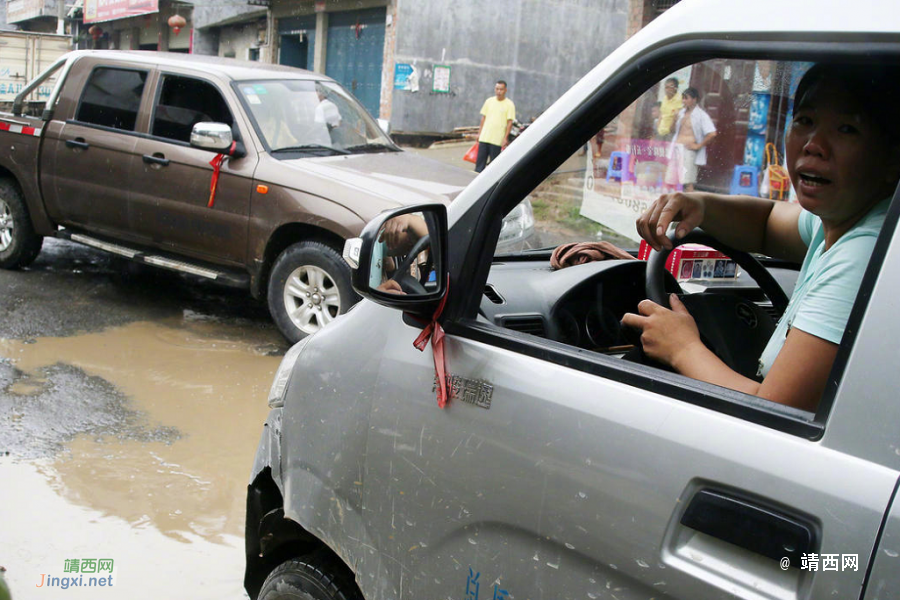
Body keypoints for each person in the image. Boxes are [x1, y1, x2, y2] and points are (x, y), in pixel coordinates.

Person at [623, 63, 900, 412]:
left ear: (892, 158)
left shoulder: (863, 256)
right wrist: (700, 204)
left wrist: (682, 348)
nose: (814, 145)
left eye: (846, 129)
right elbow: (767, 222)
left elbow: (774, 411)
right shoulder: (849, 221)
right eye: (805, 121)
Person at [668, 87, 716, 192]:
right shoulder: (680, 113)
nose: (683, 101)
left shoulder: (701, 115)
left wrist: (698, 145)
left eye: (686, 98)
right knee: (671, 179)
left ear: (694, 99)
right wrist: (674, 119)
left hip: (689, 150)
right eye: (683, 98)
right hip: (676, 147)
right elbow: (672, 131)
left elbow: (712, 133)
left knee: (687, 182)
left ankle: (690, 205)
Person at [475, 80, 516, 173]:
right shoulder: (489, 101)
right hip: (485, 137)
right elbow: (483, 118)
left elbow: (510, 122)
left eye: (501, 89)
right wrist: (479, 134)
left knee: (493, 166)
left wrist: (505, 138)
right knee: (479, 164)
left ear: (505, 90)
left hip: (497, 140)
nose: (499, 92)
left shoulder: (509, 104)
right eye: (497, 89)